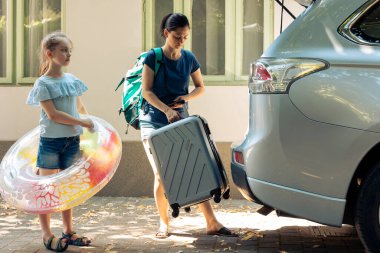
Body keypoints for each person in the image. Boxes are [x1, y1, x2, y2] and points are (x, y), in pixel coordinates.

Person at [140, 13, 237, 239]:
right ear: (166, 33)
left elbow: (200, 87)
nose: (181, 41)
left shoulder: (189, 58)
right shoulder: (152, 57)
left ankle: (211, 222)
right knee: (161, 174)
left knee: (194, 166)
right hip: (153, 120)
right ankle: (164, 224)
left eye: (185, 37)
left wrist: (185, 99)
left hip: (181, 120)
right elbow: (146, 91)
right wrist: (167, 110)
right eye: (177, 37)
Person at [26, 32, 93, 252]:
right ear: (50, 53)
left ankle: (68, 230)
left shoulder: (72, 80)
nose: (68, 54)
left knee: (67, 188)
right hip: (51, 142)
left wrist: (92, 124)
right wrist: (82, 122)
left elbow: (80, 108)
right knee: (46, 189)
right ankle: (46, 234)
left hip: (72, 140)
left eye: (69, 51)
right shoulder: (43, 83)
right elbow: (53, 115)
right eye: (63, 50)